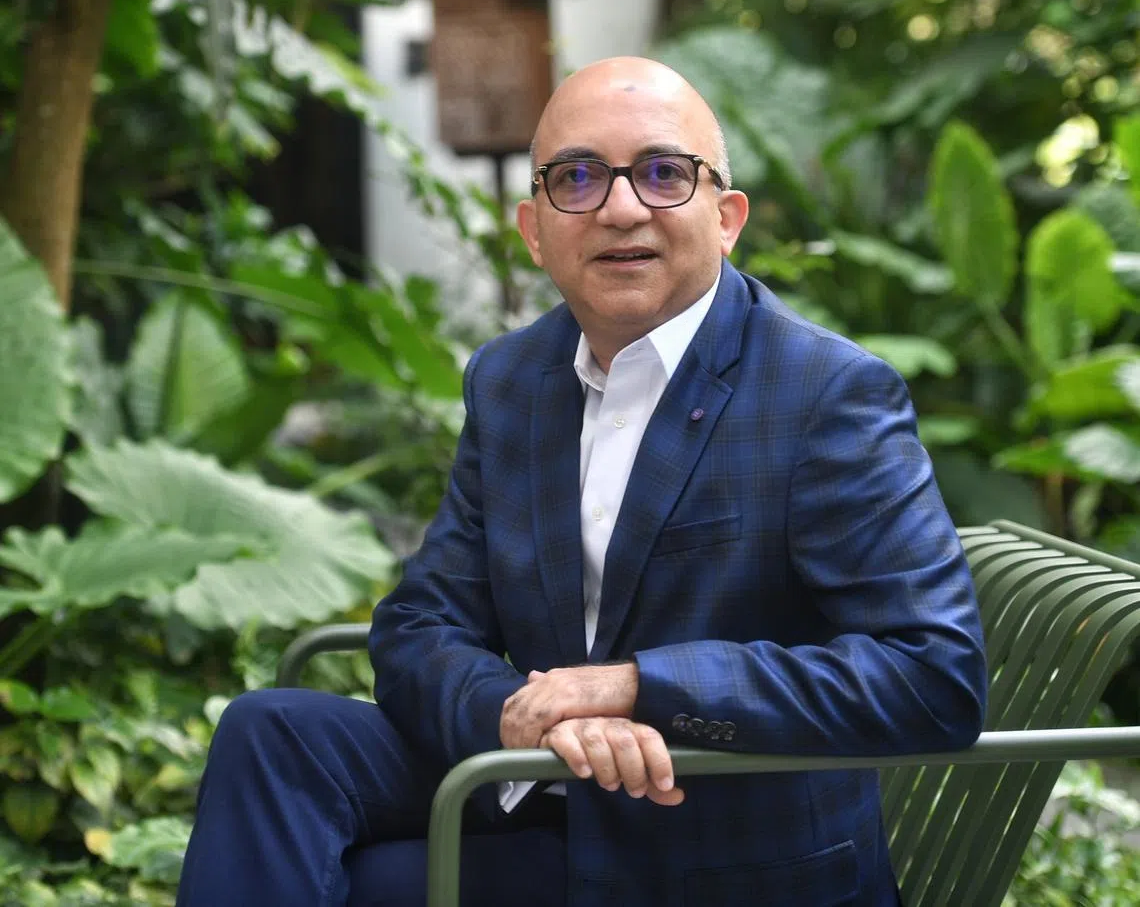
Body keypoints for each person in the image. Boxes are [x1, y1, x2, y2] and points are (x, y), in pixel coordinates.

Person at [176, 57, 987, 907]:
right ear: (534, 230)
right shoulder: (512, 379)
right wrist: (517, 715)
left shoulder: (824, 392)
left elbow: (933, 673)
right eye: (578, 178)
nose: (621, 207)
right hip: (542, 785)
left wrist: (637, 688)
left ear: (727, 219)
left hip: (714, 842)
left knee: (371, 888)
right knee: (271, 733)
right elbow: (421, 622)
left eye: (664, 173)